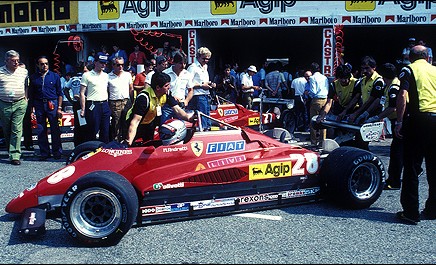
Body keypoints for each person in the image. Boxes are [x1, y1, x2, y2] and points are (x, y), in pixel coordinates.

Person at [394, 45, 436, 224]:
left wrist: (399, 121)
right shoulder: (434, 70)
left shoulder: (408, 70)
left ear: (410, 58)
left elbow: (402, 95)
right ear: (427, 57)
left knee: (411, 166)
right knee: (434, 167)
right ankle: (433, 209)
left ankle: (411, 212)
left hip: (418, 120)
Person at [124, 72, 194, 146]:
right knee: (132, 146)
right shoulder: (143, 98)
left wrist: (189, 118)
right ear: (158, 88)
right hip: (134, 125)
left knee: (149, 146)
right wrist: (129, 143)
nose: (169, 87)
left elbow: (177, 109)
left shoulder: (166, 94)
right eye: (166, 85)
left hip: (149, 123)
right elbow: (135, 122)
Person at [28, 55, 63, 160]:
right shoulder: (33, 77)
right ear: (38, 65)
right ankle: (44, 153)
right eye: (42, 64)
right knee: (41, 129)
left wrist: (59, 108)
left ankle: (57, 152)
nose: (44, 66)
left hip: (52, 103)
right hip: (39, 104)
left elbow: (60, 93)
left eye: (46, 63)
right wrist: (31, 109)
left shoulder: (55, 76)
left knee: (55, 129)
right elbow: (31, 94)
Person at [347, 56, 385, 150]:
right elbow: (356, 97)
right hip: (364, 111)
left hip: (372, 113)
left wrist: (361, 113)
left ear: (374, 67)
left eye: (367, 68)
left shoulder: (378, 81)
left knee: (363, 141)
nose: (364, 70)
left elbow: (374, 100)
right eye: (363, 68)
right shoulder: (363, 80)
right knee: (358, 140)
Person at [0, 50, 29, 165]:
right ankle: (10, 149)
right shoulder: (0, 72)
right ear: (6, 61)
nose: (16, 63)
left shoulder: (24, 72)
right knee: (7, 128)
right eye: (13, 61)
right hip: (4, 103)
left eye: (17, 60)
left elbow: (26, 85)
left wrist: (26, 99)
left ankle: (15, 155)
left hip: (20, 103)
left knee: (17, 129)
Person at [317, 63, 360, 129]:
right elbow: (329, 103)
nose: (343, 80)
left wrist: (344, 112)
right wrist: (323, 115)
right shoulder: (334, 84)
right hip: (341, 108)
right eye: (341, 78)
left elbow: (355, 100)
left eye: (345, 78)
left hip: (354, 109)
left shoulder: (356, 83)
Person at [80, 53, 111, 143]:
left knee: (105, 130)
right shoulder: (87, 75)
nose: (103, 65)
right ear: (95, 62)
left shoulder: (106, 75)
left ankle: (104, 151)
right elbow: (82, 93)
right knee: (92, 130)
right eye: (101, 62)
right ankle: (90, 150)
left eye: (105, 63)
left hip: (104, 104)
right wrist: (83, 109)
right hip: (93, 104)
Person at [187, 47, 216, 130]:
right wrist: (201, 85)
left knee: (207, 116)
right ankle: (202, 131)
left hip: (205, 94)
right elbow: (188, 83)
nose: (206, 61)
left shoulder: (205, 67)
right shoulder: (193, 67)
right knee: (202, 118)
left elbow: (204, 81)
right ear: (198, 56)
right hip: (197, 95)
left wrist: (210, 84)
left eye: (207, 59)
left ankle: (207, 130)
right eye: (204, 59)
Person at [161, 51, 194, 124]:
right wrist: (172, 97)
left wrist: (186, 101)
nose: (183, 66)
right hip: (167, 105)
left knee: (180, 127)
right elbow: (161, 90)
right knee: (164, 127)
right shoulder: (165, 73)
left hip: (180, 106)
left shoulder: (187, 74)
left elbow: (191, 90)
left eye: (184, 63)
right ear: (174, 62)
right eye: (180, 63)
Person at [108, 56, 133, 141]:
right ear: (113, 65)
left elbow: (131, 89)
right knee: (116, 123)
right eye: (118, 65)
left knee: (126, 122)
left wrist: (132, 102)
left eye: (122, 65)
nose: (121, 67)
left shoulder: (127, 75)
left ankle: (126, 140)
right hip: (114, 102)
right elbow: (106, 91)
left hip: (126, 101)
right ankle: (116, 141)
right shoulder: (108, 76)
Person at [63, 63, 86, 147]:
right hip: (85, 103)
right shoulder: (86, 78)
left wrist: (70, 99)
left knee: (78, 124)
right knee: (84, 124)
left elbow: (65, 89)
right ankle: (83, 143)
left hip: (76, 103)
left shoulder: (72, 79)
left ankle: (77, 143)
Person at [306, 62, 329, 146]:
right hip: (325, 99)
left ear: (311, 70)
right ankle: (322, 142)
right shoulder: (324, 77)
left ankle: (314, 142)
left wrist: (308, 94)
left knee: (313, 122)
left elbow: (313, 91)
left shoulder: (312, 78)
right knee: (323, 121)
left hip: (316, 100)